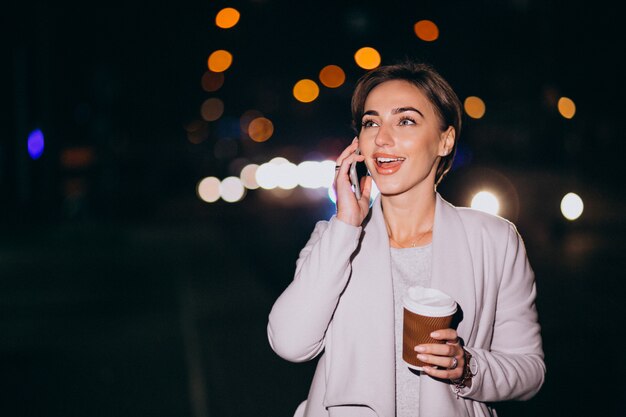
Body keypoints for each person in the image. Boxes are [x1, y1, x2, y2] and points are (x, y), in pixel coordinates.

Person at [267, 61, 545, 417]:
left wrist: (467, 367)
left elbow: (529, 370)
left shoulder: (493, 239)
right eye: (371, 122)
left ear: (445, 140)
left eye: (406, 120)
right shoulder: (336, 237)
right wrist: (346, 225)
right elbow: (290, 343)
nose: (382, 138)